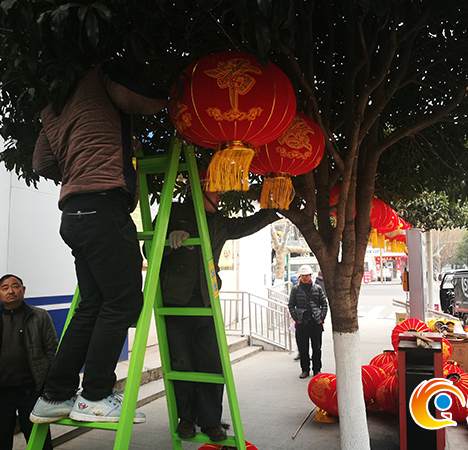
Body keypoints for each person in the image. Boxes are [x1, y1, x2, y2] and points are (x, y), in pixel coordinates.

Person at [30, 62, 168, 423]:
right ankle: (95, 396)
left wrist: (77, 171)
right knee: (122, 302)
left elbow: (41, 162)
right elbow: (140, 100)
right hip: (104, 207)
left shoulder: (52, 106)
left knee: (91, 304)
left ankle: (55, 395)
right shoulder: (98, 75)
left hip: (73, 214)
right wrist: (175, 93)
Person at [157, 171, 279, 441]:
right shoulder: (173, 212)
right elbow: (148, 251)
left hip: (207, 302)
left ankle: (210, 420)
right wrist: (167, 241)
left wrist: (275, 210)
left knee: (212, 363)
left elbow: (248, 224)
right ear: (197, 191)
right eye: (214, 191)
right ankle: (186, 418)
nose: (220, 196)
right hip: (175, 303)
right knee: (181, 364)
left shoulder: (218, 222)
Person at [0, 275, 58, 450]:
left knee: (40, 443)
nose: (10, 291)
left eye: (15, 286)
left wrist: (48, 384)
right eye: (5, 288)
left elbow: (52, 350)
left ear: (23, 290)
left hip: (32, 393)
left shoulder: (40, 316)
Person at [289, 265, 328, 379]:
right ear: (300, 277)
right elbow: (291, 305)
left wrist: (321, 318)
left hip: (315, 322)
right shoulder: (295, 289)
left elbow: (324, 304)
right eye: (303, 276)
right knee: (303, 348)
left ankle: (317, 369)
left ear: (310, 276)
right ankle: (305, 370)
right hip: (302, 323)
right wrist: (296, 318)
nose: (305, 278)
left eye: (307, 275)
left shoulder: (317, 288)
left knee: (317, 348)